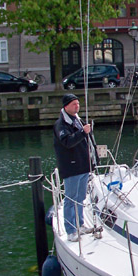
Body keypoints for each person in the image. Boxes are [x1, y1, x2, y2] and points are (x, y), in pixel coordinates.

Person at [53, 93, 96, 241]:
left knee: (80, 197)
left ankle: (80, 224)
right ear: (66, 106)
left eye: (78, 103)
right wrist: (83, 132)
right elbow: (67, 142)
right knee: (70, 199)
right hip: (71, 167)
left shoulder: (78, 120)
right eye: (73, 104)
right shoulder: (61, 125)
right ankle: (71, 230)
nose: (77, 106)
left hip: (83, 165)